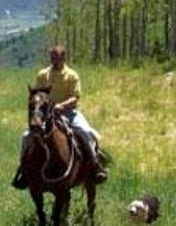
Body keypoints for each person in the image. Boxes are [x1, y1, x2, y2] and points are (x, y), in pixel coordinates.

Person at [11, 45, 108, 190]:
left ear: (64, 58)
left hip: (68, 112)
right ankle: (23, 171)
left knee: (85, 132)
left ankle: (95, 167)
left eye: (57, 58)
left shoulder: (72, 75)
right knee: (27, 136)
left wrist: (61, 106)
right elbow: (37, 93)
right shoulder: (43, 74)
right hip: (46, 113)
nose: (54, 61)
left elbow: (75, 97)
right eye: (52, 58)